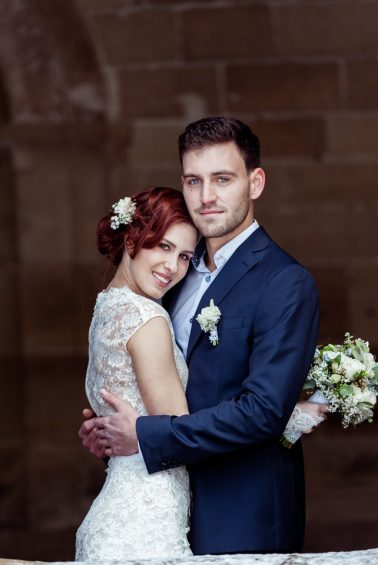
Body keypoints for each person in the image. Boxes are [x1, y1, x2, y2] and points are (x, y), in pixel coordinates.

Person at [79, 117, 328, 555]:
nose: (206, 197)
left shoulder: (285, 282)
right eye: (194, 181)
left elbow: (263, 412)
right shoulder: (171, 279)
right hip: (164, 509)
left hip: (240, 512)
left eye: (222, 179)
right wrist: (111, 431)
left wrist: (144, 435)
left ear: (255, 182)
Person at [75, 187, 198, 560]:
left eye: (185, 256)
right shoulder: (148, 318)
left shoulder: (106, 310)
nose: (172, 267)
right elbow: (180, 435)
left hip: (118, 518)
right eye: (162, 246)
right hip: (143, 527)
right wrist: (282, 416)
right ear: (132, 239)